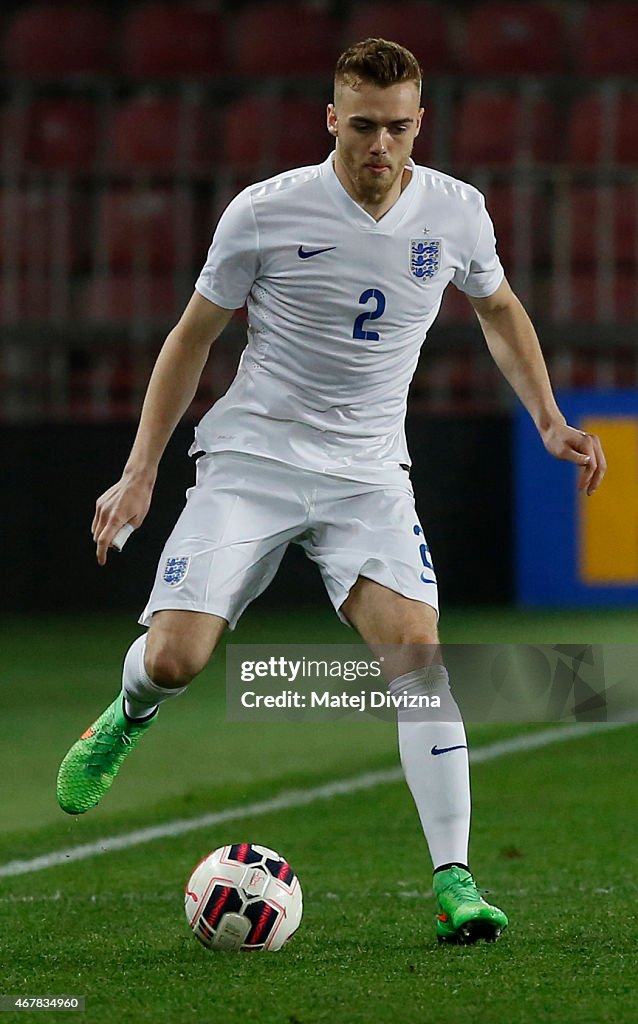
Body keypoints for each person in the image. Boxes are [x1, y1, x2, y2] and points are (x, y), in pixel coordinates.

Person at [56, 38, 606, 945]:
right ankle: (128, 714)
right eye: (361, 126)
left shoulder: (457, 214)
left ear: (419, 123)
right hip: (254, 462)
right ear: (331, 120)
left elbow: (500, 309)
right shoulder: (265, 213)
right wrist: (142, 468)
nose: (379, 146)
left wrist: (549, 419)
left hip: (368, 478)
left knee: (419, 661)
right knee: (176, 660)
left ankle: (456, 882)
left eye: (397, 128)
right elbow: (192, 335)